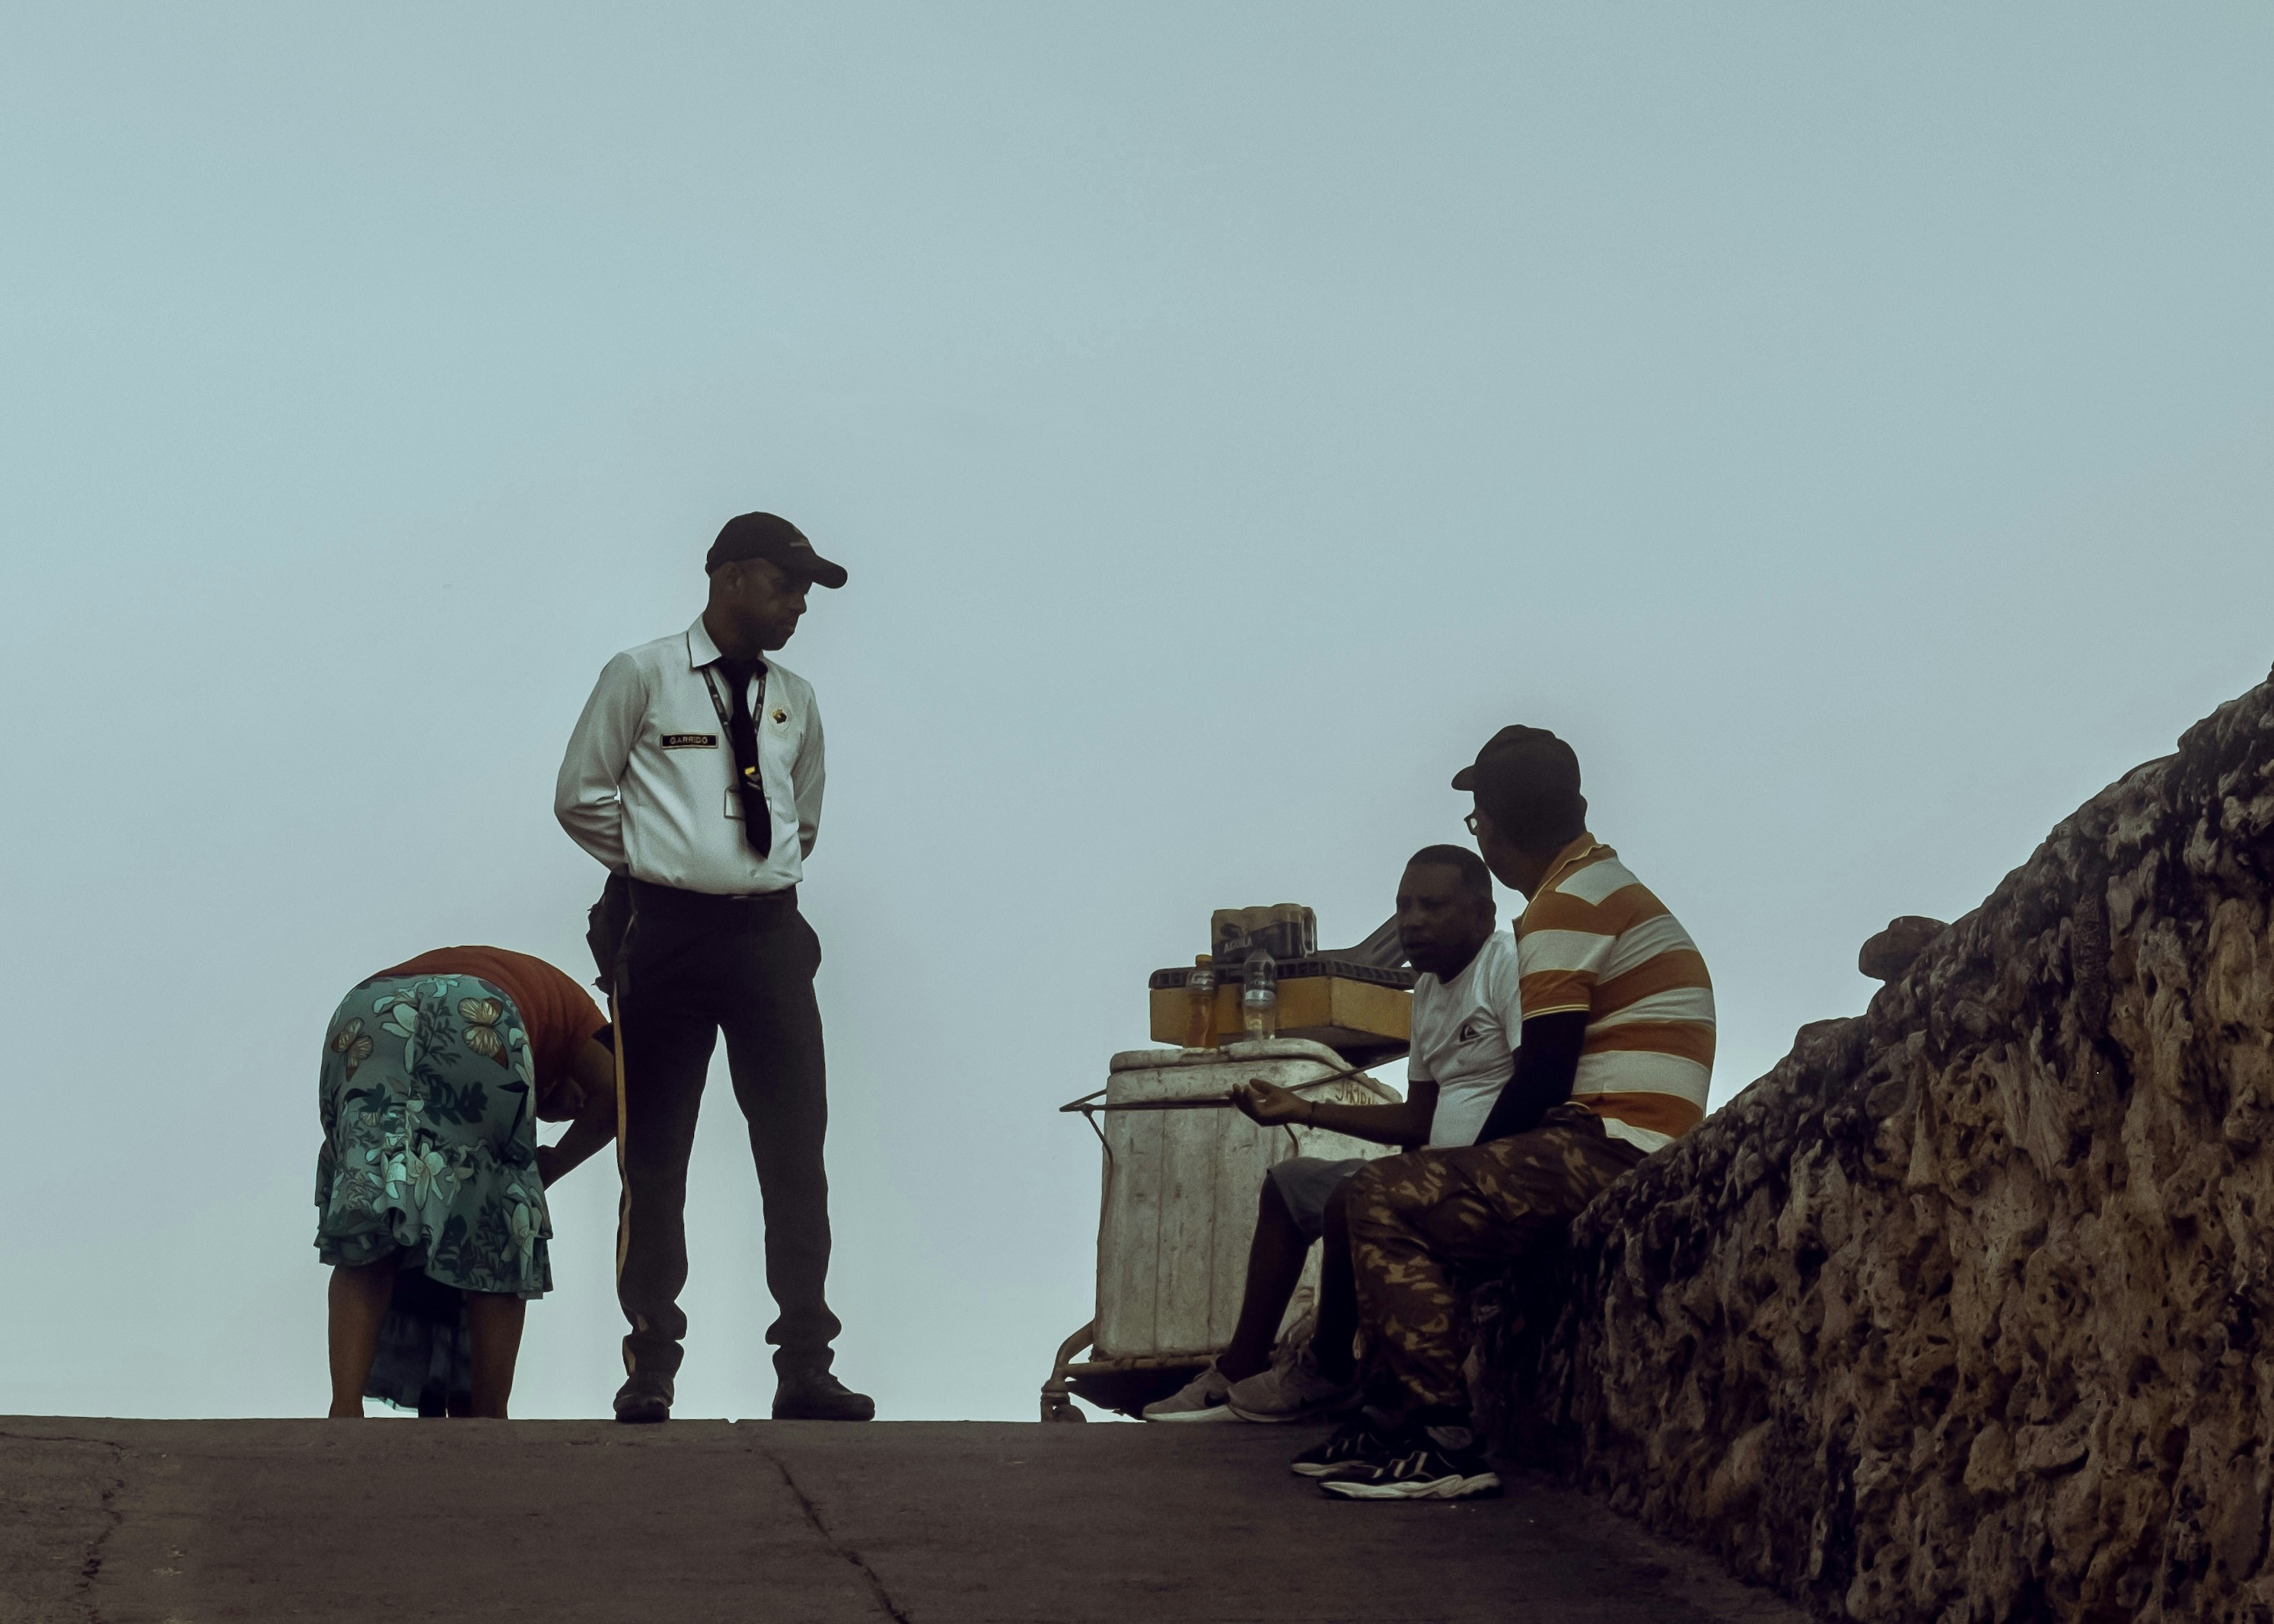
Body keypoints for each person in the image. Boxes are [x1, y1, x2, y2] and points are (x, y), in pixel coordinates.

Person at [1311, 725, 1715, 1501]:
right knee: (1406, 1199)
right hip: (1619, 1132)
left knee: (1382, 1197)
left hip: (1613, 1141)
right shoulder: (1597, 885)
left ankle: (1443, 1442)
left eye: (1477, 818)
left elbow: (1545, 1072)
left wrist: (1460, 1170)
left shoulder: (1565, 907)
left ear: (1491, 831)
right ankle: (1388, 1418)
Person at [554, 511, 872, 1425]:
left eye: (806, 590)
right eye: (787, 584)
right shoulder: (643, 674)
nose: (799, 605)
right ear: (731, 577)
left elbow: (801, 821)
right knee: (654, 1156)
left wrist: (744, 876)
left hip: (768, 938)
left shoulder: (795, 699)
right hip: (667, 938)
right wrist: (661, 856)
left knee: (795, 1154)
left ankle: (805, 1364)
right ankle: (651, 1362)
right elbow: (579, 795)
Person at [1138, 845, 1521, 1425]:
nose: (1413, 920)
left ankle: (1328, 1370)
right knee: (1292, 1185)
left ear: (1481, 916)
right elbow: (1417, 1118)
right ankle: (1236, 1369)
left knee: (1354, 1196)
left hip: (1482, 1182)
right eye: (1404, 906)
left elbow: (1540, 1078)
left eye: (1433, 905)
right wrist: (1302, 1109)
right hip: (1429, 1171)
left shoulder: (1505, 966)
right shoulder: (1426, 995)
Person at [316, 944, 616, 1419]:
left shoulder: (531, 989)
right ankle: (488, 1419)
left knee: (372, 1214)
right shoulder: (588, 1022)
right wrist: (554, 1163)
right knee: (494, 1224)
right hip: (479, 1013)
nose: (572, 1110)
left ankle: (345, 1409)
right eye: (572, 1102)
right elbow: (616, 1093)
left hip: (367, 1011)